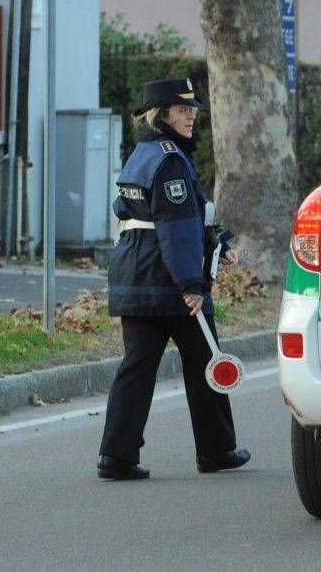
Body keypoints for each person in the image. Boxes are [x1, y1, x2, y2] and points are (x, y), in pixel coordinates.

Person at [97, 78, 249, 480]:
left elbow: (135, 212)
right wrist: (191, 285)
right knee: (206, 363)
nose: (191, 117)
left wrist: (214, 242)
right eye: (183, 110)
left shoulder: (142, 154)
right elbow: (175, 228)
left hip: (136, 278)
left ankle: (116, 456)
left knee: (136, 368)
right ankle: (217, 451)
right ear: (161, 115)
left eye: (192, 110)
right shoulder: (171, 161)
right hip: (170, 284)